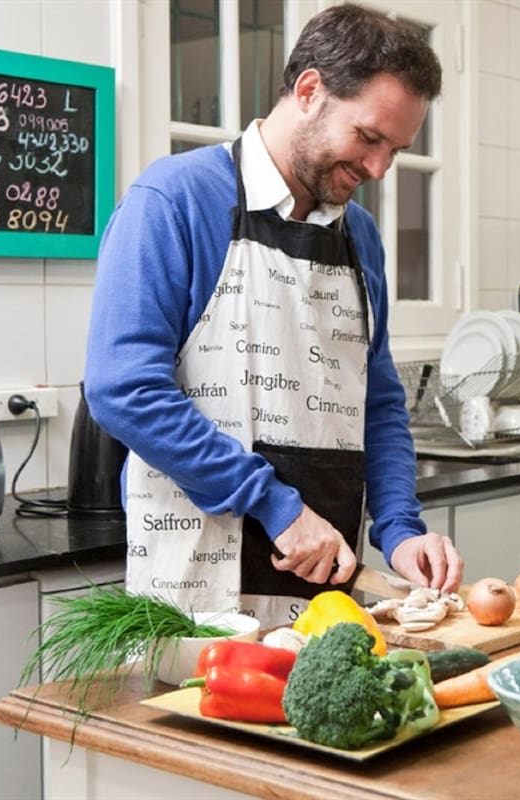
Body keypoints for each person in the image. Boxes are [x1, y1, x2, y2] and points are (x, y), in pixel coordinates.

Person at [83, 4, 463, 628]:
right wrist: (275, 503)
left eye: (396, 150)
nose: (378, 170)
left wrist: (400, 532)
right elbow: (123, 388)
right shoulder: (174, 201)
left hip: (327, 598)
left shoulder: (360, 238)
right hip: (195, 597)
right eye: (369, 138)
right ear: (310, 90)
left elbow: (380, 402)